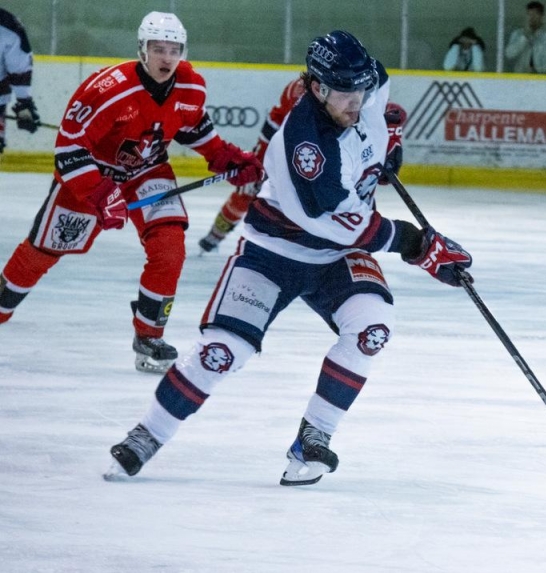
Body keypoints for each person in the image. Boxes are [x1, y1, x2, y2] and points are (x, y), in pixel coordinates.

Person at [105, 30, 473, 486]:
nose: (357, 101)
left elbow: (379, 93)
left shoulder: (363, 85)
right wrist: (419, 246)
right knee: (222, 352)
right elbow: (344, 223)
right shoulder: (305, 148)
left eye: (361, 91)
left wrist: (388, 139)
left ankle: (314, 437)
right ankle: (148, 434)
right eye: (345, 93)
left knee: (372, 329)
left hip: (336, 258)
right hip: (273, 254)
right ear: (317, 89)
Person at [0, 12, 264, 374]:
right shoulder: (107, 89)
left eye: (174, 50)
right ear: (142, 49)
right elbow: (68, 148)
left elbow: (193, 130)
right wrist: (99, 193)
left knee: (170, 247)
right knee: (41, 254)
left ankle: (149, 336)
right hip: (92, 173)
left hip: (147, 171)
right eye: (158, 49)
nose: (167, 58)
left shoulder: (192, 86)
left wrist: (226, 158)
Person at [198, 77, 305, 253]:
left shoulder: (341, 92)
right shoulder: (299, 88)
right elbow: (275, 123)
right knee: (247, 190)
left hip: (312, 156)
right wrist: (259, 163)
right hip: (282, 147)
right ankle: (216, 234)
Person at [0, 8, 41, 154]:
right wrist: (24, 102)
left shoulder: (8, 25)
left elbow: (19, 67)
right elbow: (20, 68)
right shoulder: (8, 25)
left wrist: (24, 103)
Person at [504, 1, 546, 74]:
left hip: (541, 77)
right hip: (520, 77)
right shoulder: (517, 34)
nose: (532, 18)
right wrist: (525, 37)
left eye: (535, 14)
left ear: (542, 17)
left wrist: (540, 71)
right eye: (529, 14)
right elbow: (509, 55)